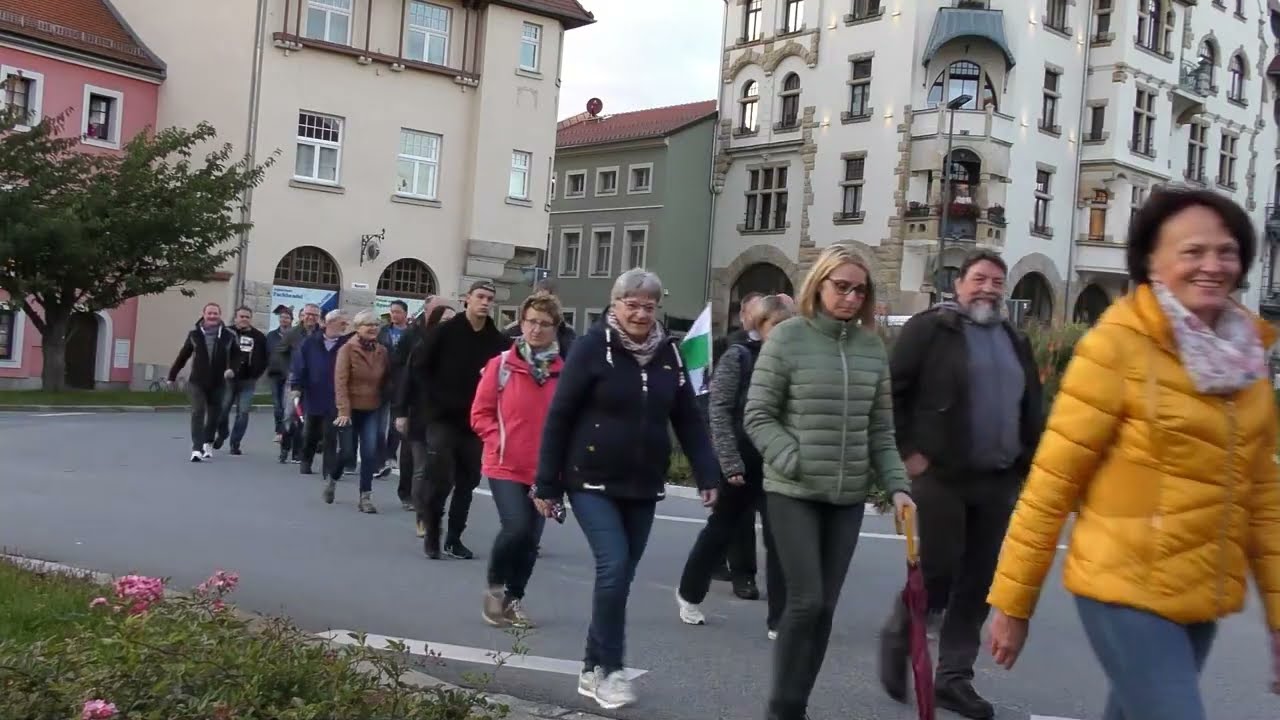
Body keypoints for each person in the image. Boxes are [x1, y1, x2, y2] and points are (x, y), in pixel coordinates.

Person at [986, 187, 1280, 720]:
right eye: (1192, 251)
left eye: (1226, 250)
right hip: (1123, 588)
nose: (1212, 265)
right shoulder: (1117, 347)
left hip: (1198, 594)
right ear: (1152, 261)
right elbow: (1053, 483)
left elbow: (1263, 499)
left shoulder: (1246, 360)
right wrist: (1013, 602)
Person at [534, 269, 720, 711]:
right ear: (615, 304)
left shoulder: (669, 353)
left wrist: (707, 472)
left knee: (621, 576)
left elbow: (688, 418)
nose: (639, 313)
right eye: (631, 304)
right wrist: (546, 482)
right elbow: (559, 415)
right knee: (614, 566)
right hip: (590, 478)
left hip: (642, 482)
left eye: (648, 306)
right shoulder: (591, 348)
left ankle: (590, 665)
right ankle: (612, 670)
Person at [743, 245, 914, 720]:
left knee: (825, 609)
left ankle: (796, 706)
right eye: (842, 286)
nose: (851, 297)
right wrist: (792, 458)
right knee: (806, 599)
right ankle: (781, 709)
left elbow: (880, 430)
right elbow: (758, 414)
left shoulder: (871, 347)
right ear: (818, 285)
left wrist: (898, 487)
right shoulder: (788, 338)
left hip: (847, 497)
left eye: (860, 289)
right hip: (792, 490)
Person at [877, 249, 1044, 719]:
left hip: (997, 478)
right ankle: (900, 634)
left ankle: (954, 678)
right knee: (939, 572)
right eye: (979, 279)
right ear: (958, 285)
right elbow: (892, 391)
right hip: (942, 475)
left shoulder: (1014, 339)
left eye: (996, 281)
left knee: (978, 582)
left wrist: (1030, 463)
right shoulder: (931, 330)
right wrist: (908, 451)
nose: (988, 288)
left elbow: (1031, 403)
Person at [677, 294, 792, 637]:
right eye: (776, 325)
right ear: (761, 325)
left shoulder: (792, 361)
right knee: (721, 531)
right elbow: (720, 411)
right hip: (741, 460)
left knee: (780, 539)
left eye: (789, 326)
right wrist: (729, 462)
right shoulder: (739, 357)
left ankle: (780, 619)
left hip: (777, 463)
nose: (782, 332)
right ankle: (689, 593)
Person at [472, 291, 565, 628]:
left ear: (555, 328)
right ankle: (494, 594)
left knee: (531, 539)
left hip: (543, 470)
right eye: (530, 322)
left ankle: (514, 599)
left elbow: (569, 421)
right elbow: (480, 413)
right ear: (521, 323)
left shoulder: (563, 372)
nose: (536, 329)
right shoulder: (501, 365)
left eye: (544, 323)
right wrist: (498, 441)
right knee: (516, 527)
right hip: (504, 464)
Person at [413, 280, 509, 559]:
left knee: (468, 480)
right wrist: (430, 401)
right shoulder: (445, 332)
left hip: (476, 422)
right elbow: (420, 368)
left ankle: (454, 537)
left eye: (490, 298)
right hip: (443, 417)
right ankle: (433, 532)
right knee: (440, 478)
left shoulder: (497, 341)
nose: (485, 302)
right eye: (480, 296)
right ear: (467, 299)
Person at [705, 290, 766, 598]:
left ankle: (715, 559)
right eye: (756, 314)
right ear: (743, 316)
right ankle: (741, 573)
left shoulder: (779, 349)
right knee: (736, 514)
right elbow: (717, 403)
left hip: (769, 448)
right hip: (736, 443)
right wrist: (725, 452)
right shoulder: (731, 349)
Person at [395, 302, 455, 518]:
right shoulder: (421, 347)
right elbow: (406, 381)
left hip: (447, 419)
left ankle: (432, 506)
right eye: (446, 321)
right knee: (421, 467)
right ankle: (422, 513)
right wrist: (401, 413)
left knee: (442, 470)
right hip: (421, 415)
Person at [331, 310, 389, 513]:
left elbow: (387, 379)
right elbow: (340, 382)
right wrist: (343, 411)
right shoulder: (347, 349)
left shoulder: (382, 351)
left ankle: (365, 497)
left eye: (375, 324)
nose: (373, 328)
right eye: (368, 325)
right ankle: (333, 479)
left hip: (372, 408)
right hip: (350, 409)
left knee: (369, 453)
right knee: (347, 453)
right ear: (357, 328)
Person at [169, 302, 240, 462]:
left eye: (215, 313)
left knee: (215, 415)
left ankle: (208, 442)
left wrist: (232, 369)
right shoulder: (195, 334)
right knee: (198, 411)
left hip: (218, 382)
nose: (212, 316)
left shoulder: (229, 335)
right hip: (197, 381)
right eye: (210, 313)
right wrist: (171, 376)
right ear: (204, 314)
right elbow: (183, 356)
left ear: (220, 315)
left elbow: (237, 356)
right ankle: (196, 448)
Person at [291, 309, 353, 478]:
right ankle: (306, 460)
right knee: (310, 431)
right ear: (330, 323)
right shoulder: (310, 342)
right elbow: (299, 366)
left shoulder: (346, 345)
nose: (345, 326)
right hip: (313, 394)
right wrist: (296, 387)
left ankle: (329, 470)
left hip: (335, 395)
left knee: (330, 434)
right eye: (342, 323)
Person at [218, 306, 269, 456]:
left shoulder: (258, 337)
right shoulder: (226, 333)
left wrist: (256, 373)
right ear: (235, 318)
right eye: (242, 316)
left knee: (243, 413)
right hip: (228, 380)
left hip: (248, 380)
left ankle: (235, 443)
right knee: (223, 410)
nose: (244, 319)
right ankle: (222, 434)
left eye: (247, 317)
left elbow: (265, 358)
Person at [274, 303, 322, 462]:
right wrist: (287, 370)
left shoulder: (321, 334)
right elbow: (280, 352)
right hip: (294, 379)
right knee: (290, 415)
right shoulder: (293, 333)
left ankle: (298, 451)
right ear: (303, 315)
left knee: (305, 417)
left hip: (313, 381)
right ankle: (284, 447)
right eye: (308, 314)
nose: (311, 318)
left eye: (315, 315)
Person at [377, 299, 412, 477]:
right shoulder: (383, 332)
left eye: (397, 312)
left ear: (405, 313)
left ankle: (391, 455)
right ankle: (381, 456)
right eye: (392, 312)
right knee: (380, 422)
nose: (394, 315)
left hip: (403, 381)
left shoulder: (412, 332)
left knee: (397, 421)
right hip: (383, 380)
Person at [503, 281, 577, 358]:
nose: (537, 330)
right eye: (532, 322)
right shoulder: (511, 332)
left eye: (545, 324)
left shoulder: (567, 333)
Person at [265, 305, 294, 443]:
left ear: (291, 320)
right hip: (274, 373)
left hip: (289, 375)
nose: (284, 320)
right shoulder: (271, 335)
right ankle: (279, 431)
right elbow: (266, 353)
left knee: (286, 405)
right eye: (282, 317)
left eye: (287, 317)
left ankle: (286, 432)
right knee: (277, 405)